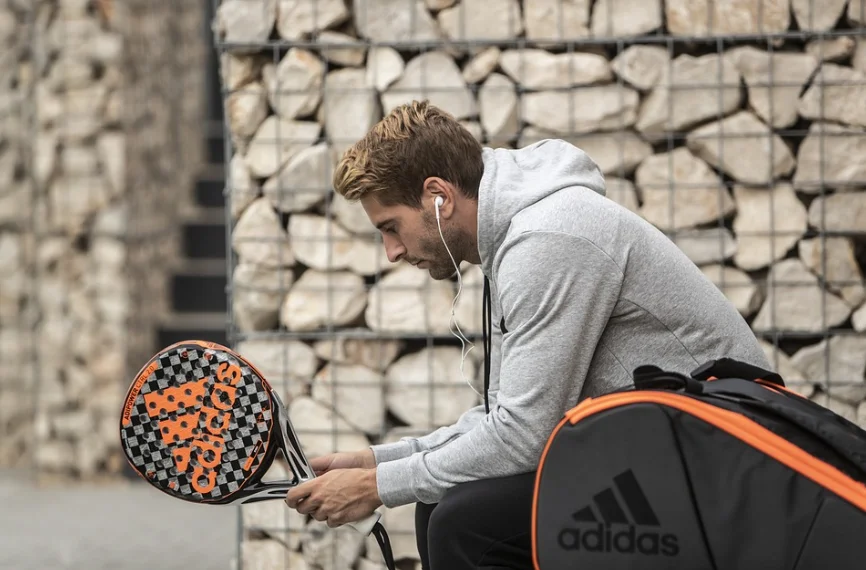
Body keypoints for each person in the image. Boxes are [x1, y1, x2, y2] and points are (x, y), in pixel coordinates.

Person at [284, 100, 771, 569]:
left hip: (722, 458)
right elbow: (507, 418)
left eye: (392, 227)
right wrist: (376, 461)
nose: (391, 251)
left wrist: (376, 487)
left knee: (466, 523)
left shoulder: (547, 241)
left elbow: (522, 440)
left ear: (438, 198)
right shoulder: (518, 238)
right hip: (664, 446)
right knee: (442, 505)